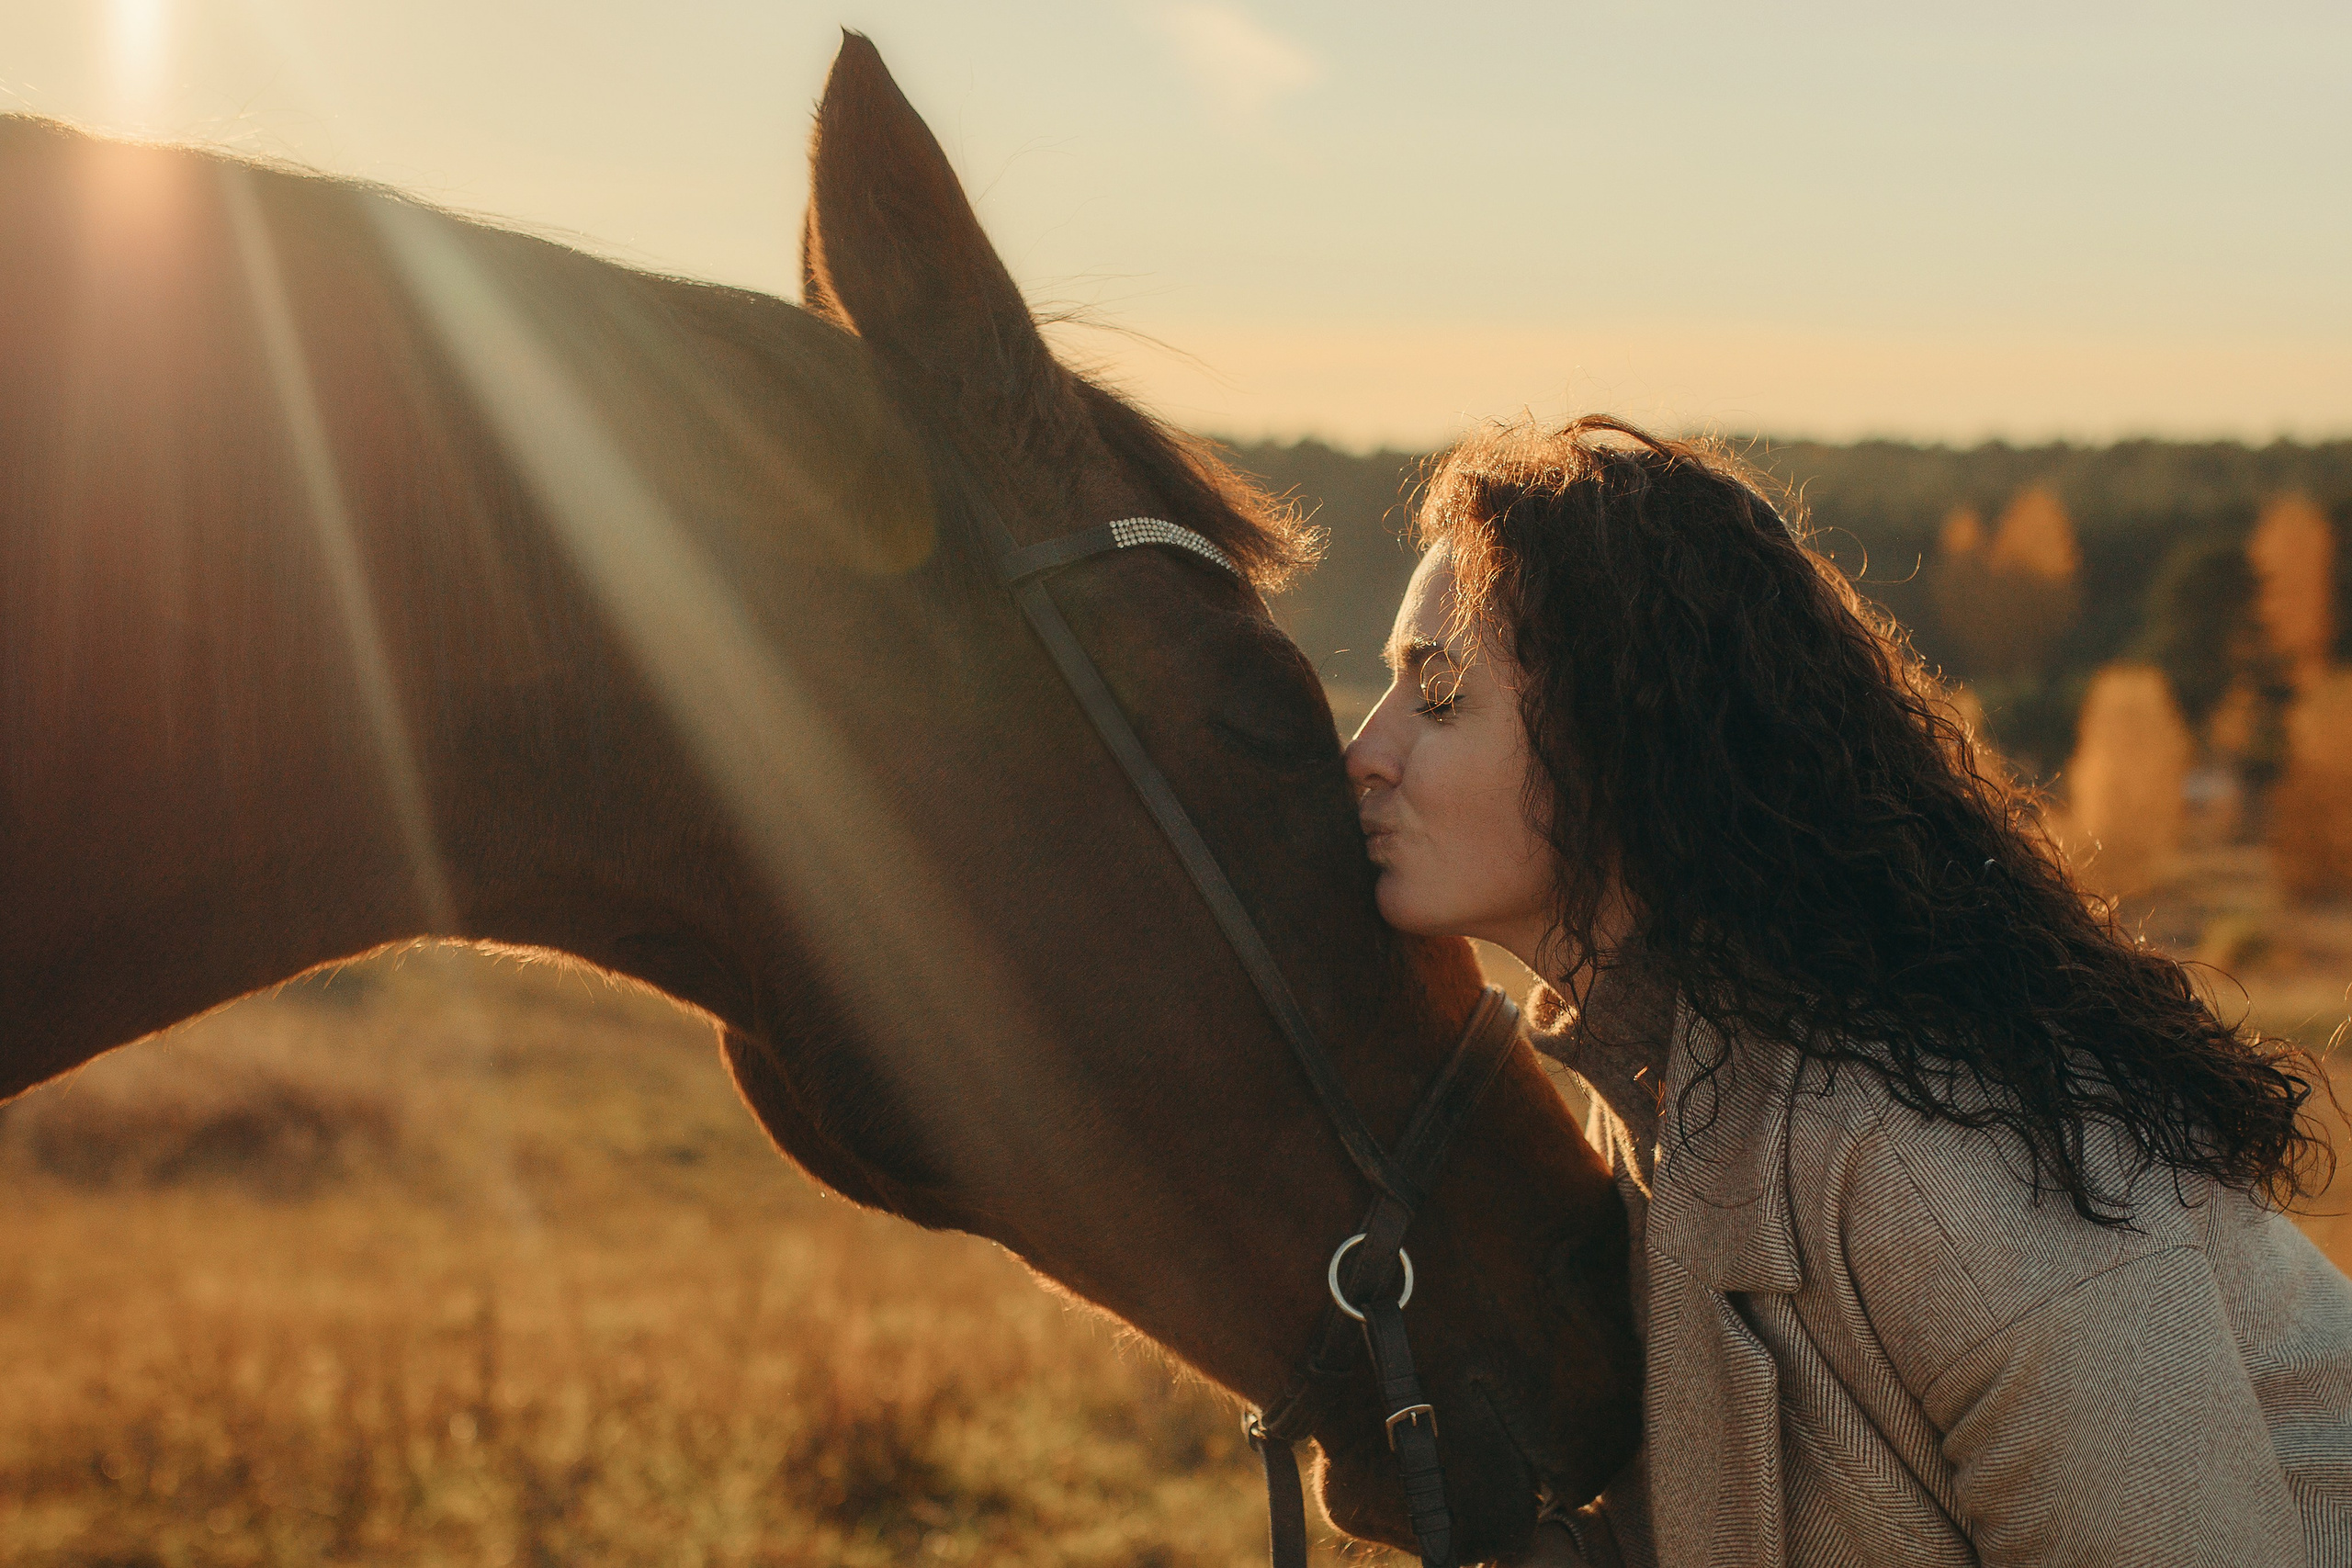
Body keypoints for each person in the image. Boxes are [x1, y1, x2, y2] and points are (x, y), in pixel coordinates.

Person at [1341, 416, 2352, 1568]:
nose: (1365, 752)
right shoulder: (1664, 1094)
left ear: (1628, 740)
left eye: (1436, 694)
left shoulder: (1942, 1154)